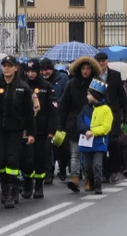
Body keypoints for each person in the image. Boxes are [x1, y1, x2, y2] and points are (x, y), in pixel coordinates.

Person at [0, 56, 35, 208]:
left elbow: (29, 113)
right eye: (4, 65)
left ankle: (11, 190)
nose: (7, 68)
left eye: (10, 65)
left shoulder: (22, 87)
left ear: (16, 68)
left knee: (12, 160)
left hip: (15, 131)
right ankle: (5, 186)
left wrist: (30, 133)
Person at [57, 55, 102, 193]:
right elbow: (64, 105)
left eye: (88, 68)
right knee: (75, 153)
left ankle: (89, 179)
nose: (86, 71)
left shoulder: (97, 83)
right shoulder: (71, 84)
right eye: (83, 68)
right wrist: (61, 125)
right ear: (79, 69)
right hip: (74, 123)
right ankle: (75, 179)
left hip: (92, 122)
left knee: (88, 154)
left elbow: (104, 102)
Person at [22, 58, 57, 199]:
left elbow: (53, 110)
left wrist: (51, 131)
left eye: (33, 71)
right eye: (28, 71)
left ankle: (38, 186)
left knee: (39, 159)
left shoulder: (46, 86)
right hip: (25, 129)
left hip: (41, 130)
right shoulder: (22, 86)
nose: (31, 74)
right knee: (26, 159)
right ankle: (27, 185)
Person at [94, 52, 127, 184]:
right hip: (98, 115)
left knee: (114, 144)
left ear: (107, 61)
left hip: (113, 116)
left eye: (103, 61)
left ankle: (114, 170)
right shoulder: (94, 75)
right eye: (99, 61)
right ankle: (104, 173)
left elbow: (122, 97)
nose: (101, 63)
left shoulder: (115, 75)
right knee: (101, 145)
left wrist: (126, 114)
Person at [76, 79, 113, 195]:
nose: (87, 96)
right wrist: (85, 130)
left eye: (89, 94)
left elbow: (106, 127)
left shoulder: (106, 109)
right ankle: (90, 181)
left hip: (99, 142)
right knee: (87, 166)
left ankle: (98, 185)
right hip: (86, 142)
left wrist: (93, 132)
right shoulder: (85, 108)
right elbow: (79, 121)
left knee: (97, 164)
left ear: (95, 95)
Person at [40, 59, 70, 181]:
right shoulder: (40, 81)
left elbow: (66, 95)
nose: (44, 72)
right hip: (45, 117)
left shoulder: (62, 78)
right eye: (42, 70)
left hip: (60, 116)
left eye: (47, 69)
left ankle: (62, 167)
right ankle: (49, 171)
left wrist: (55, 104)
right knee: (48, 146)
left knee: (61, 145)